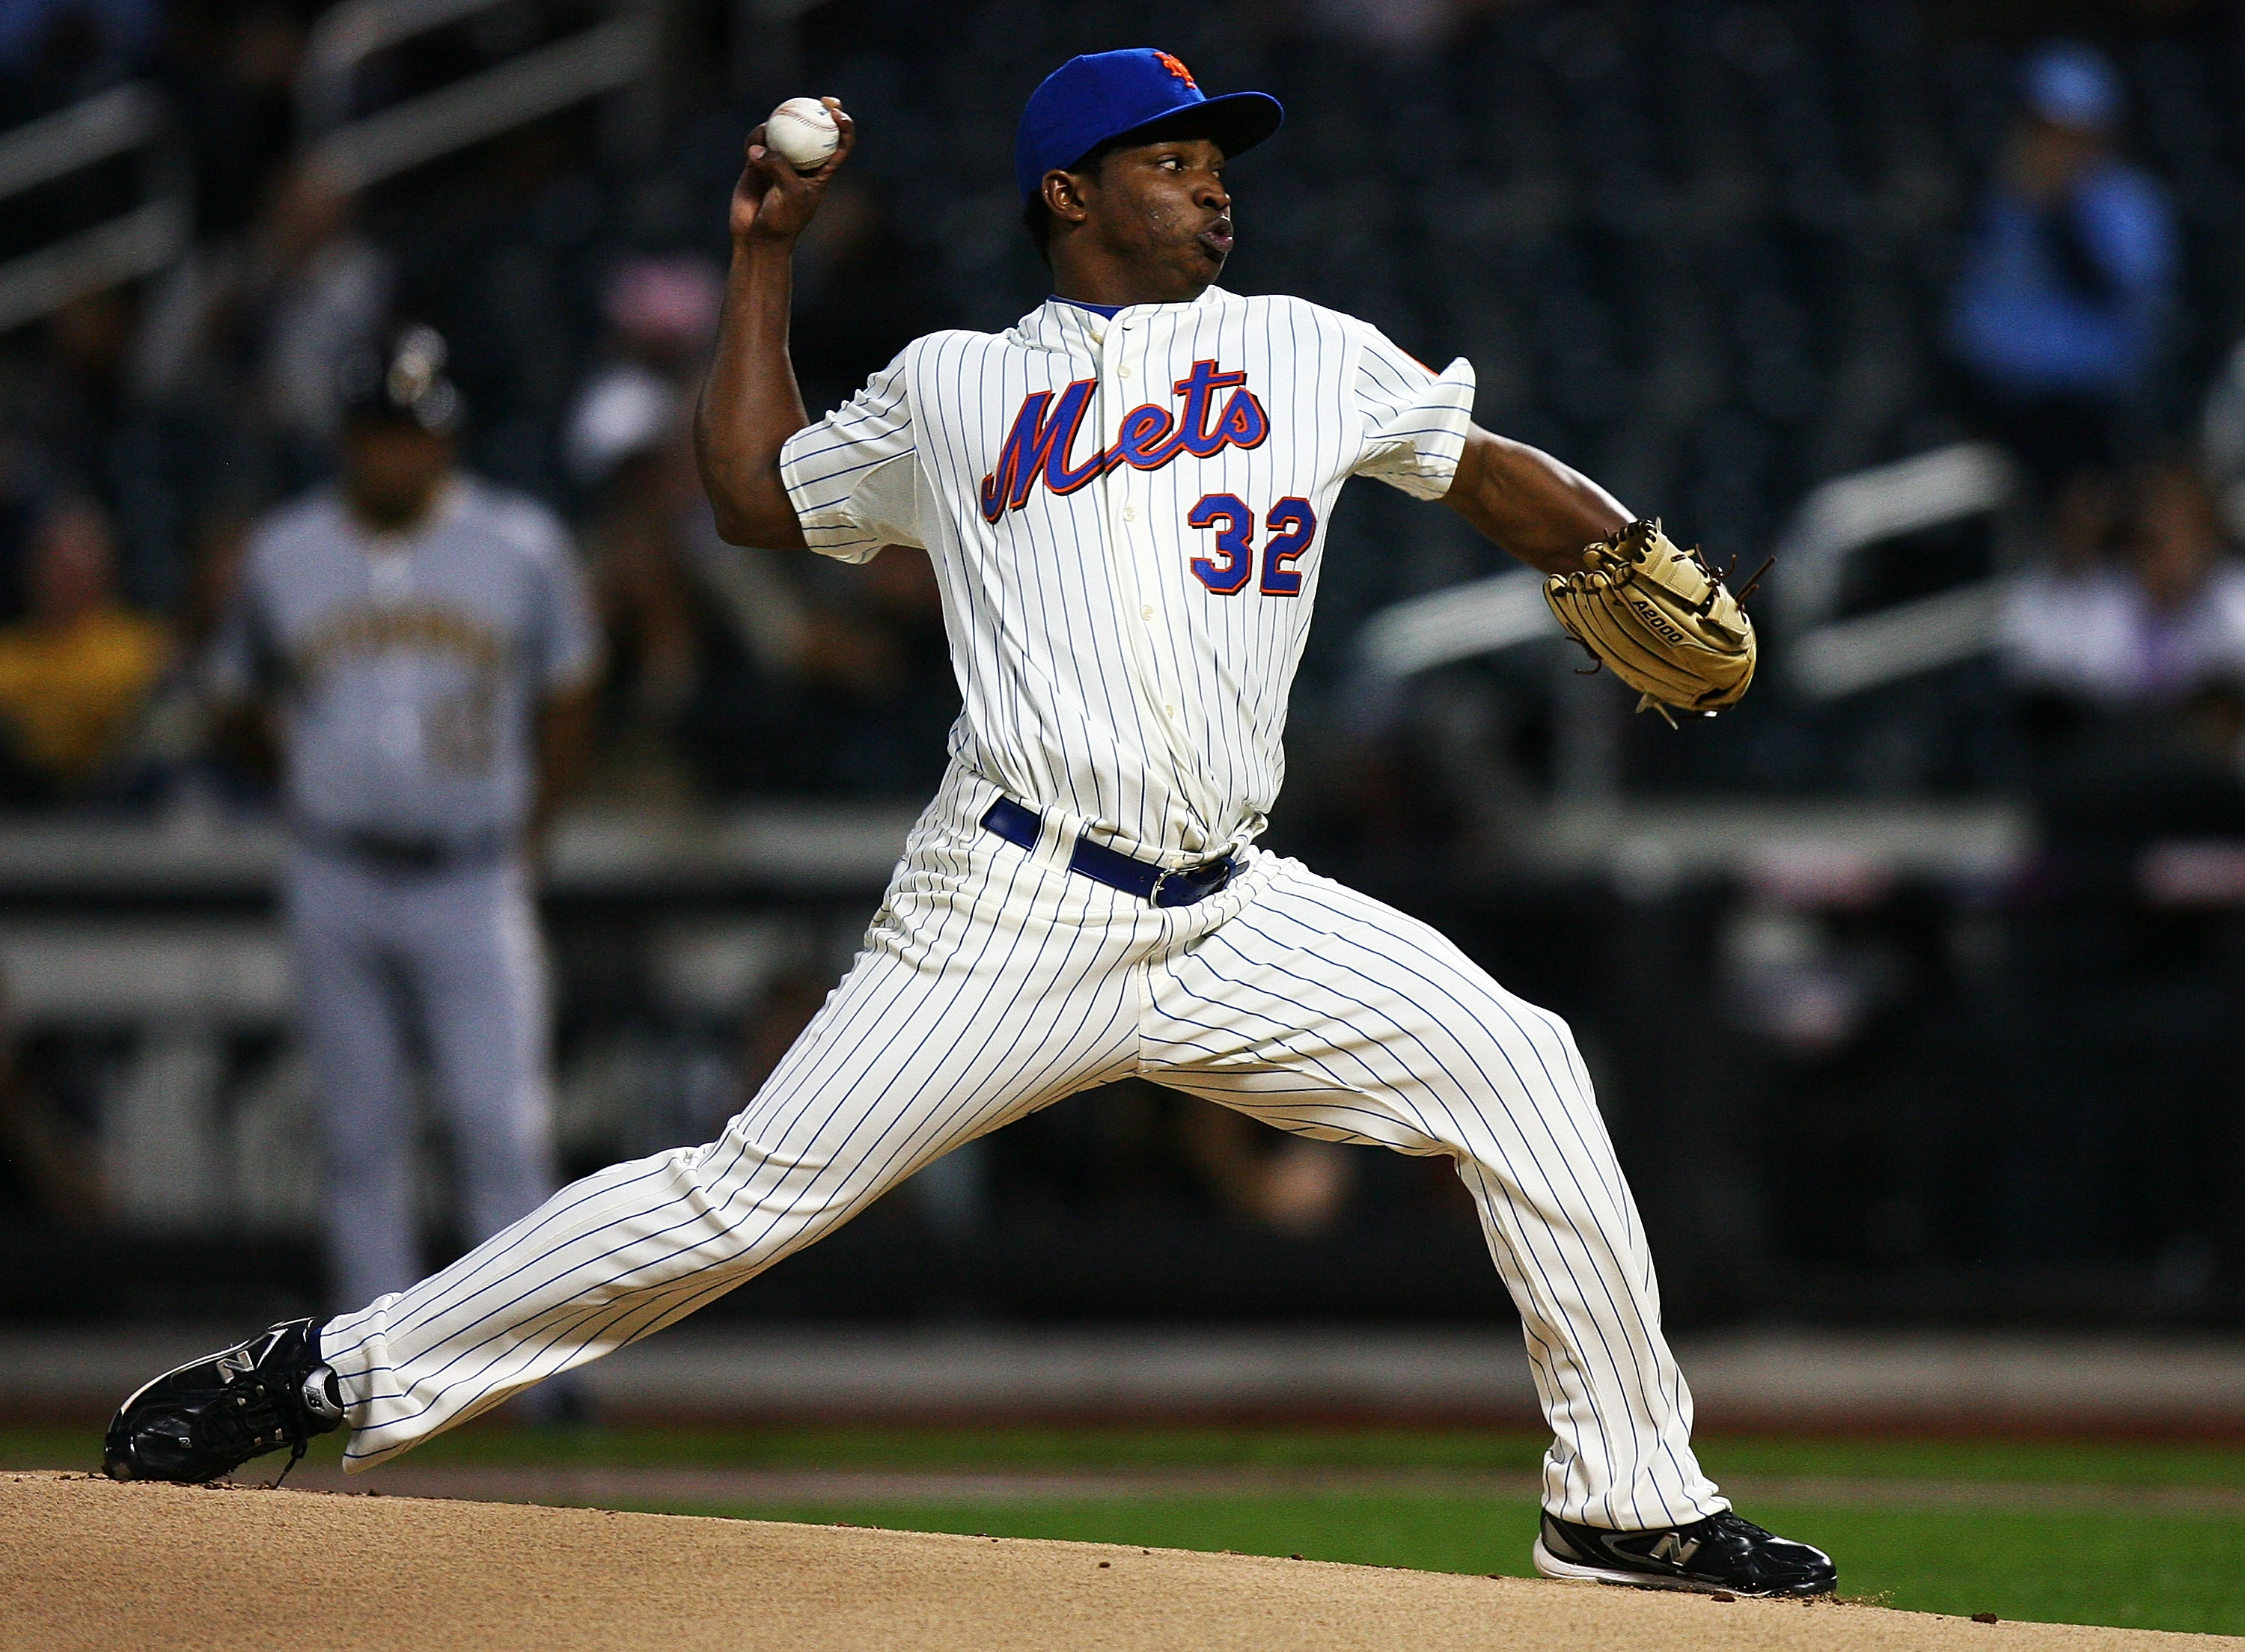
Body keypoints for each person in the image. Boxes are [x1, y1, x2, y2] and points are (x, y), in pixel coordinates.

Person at [105, 52, 1833, 1599]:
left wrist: (1611, 545)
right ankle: (316, 1375)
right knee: (735, 1202)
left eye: (1219, 155)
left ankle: (1621, 1499)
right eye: (1168, 156)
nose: (1211, 178)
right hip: (1007, 905)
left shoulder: (1308, 352)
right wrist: (764, 250)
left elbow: (1477, 463)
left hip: (1233, 910)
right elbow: (749, 494)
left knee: (1519, 1063)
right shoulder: (953, 386)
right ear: (1067, 196)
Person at [196, 325, 599, 1314]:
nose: (396, 451)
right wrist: (304, 779)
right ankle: (373, 1376)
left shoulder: (518, 545)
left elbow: (571, 693)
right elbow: (233, 699)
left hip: (473, 873)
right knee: (357, 1136)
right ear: (346, 439)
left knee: (499, 1127)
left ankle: (526, 1372)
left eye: (414, 432)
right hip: (336, 873)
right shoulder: (285, 553)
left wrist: (530, 836)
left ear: (447, 439)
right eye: (378, 432)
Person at [1947, 41, 2175, 494]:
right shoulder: (2002, 201)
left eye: (2067, 132)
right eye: (2041, 127)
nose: (2051, 145)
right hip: (1997, 403)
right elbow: (1974, 312)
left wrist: (2058, 209)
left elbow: (2115, 300)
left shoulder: (2130, 202)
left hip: (2090, 410)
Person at [0, 493, 171, 801]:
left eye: (79, 568)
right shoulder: (9, 652)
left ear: (106, 572)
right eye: (56, 566)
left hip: (116, 795)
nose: (66, 579)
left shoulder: (140, 646)